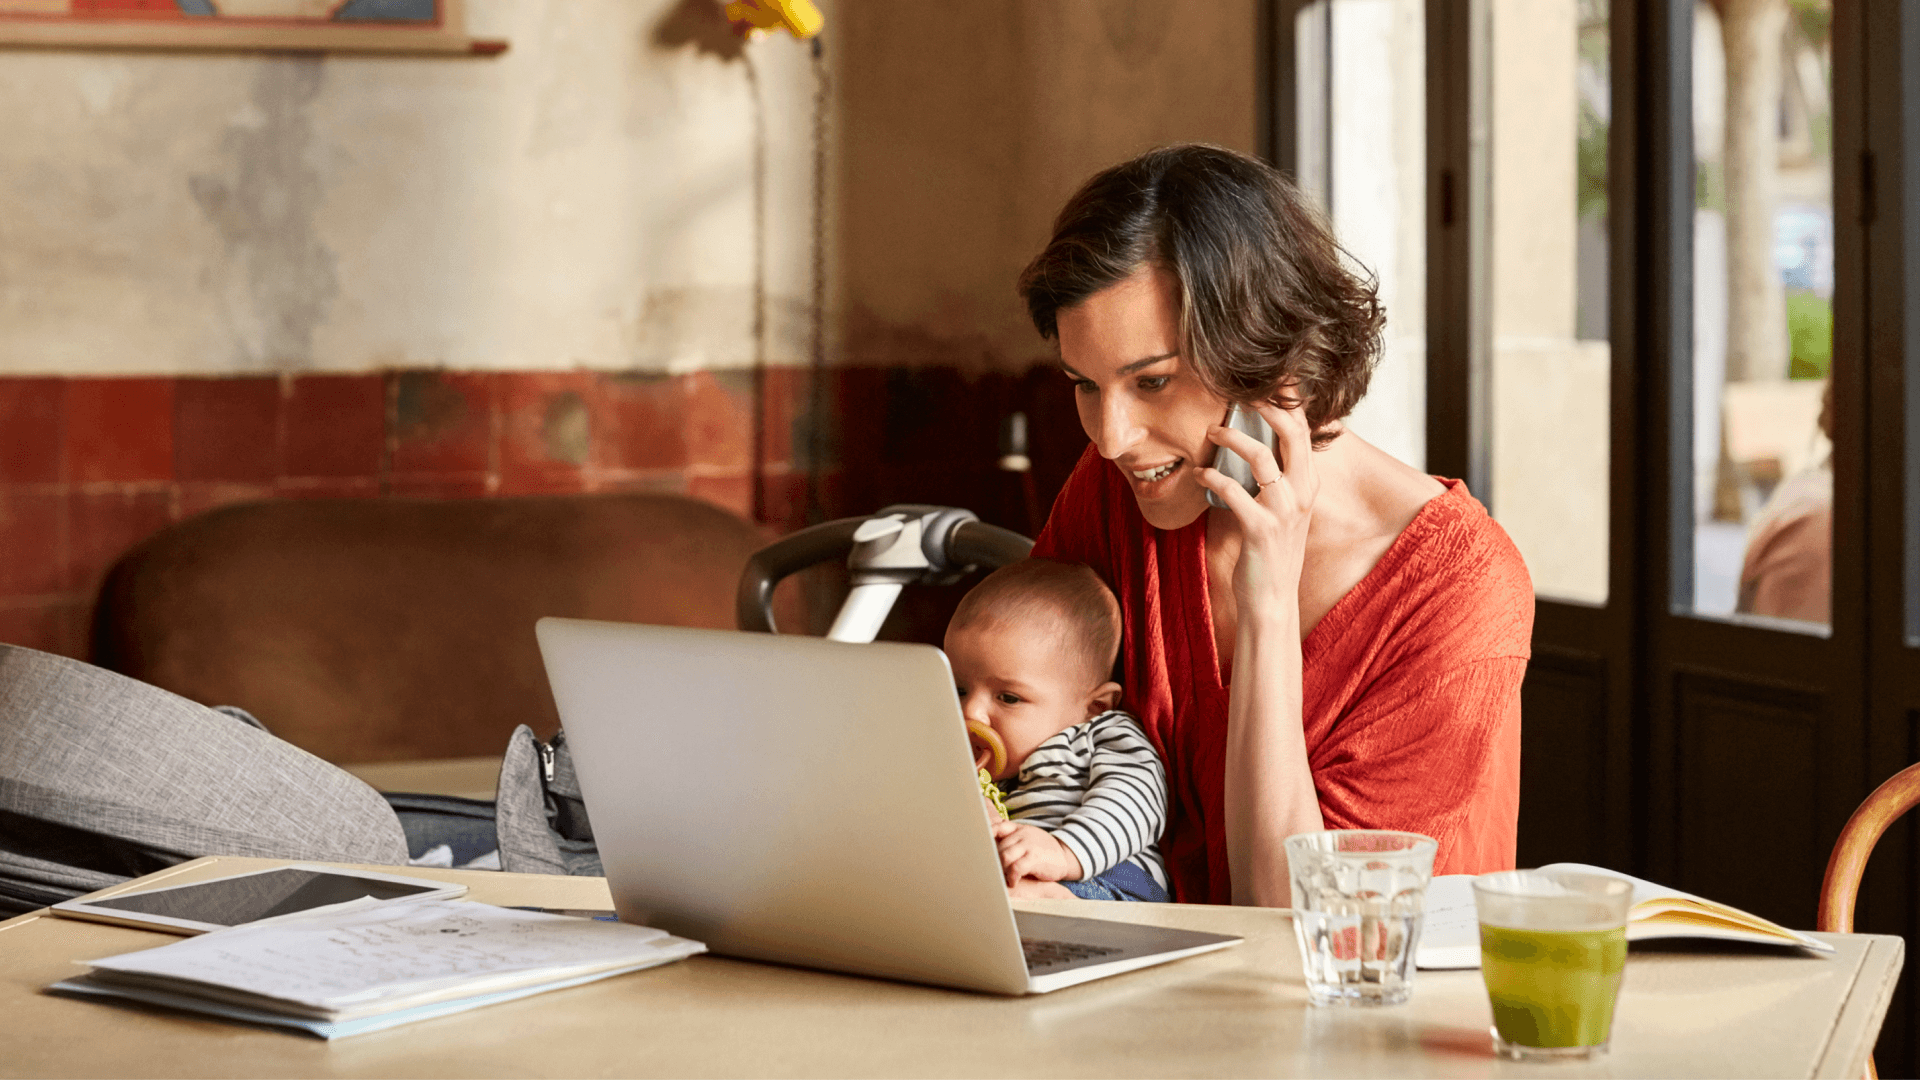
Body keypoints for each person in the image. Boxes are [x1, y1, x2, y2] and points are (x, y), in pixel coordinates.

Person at [1014, 143, 1533, 906]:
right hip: (1148, 999)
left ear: (1272, 361)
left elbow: (1297, 922)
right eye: (1086, 386)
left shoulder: (1458, 587)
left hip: (1370, 1012)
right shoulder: (1112, 492)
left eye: (1153, 381)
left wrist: (1266, 606)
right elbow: (1027, 762)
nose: (1111, 437)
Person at [944, 558, 1171, 902]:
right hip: (1013, 881)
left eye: (1008, 697)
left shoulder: (1099, 734)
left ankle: (1058, 904)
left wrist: (1064, 852)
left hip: (1110, 879)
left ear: (1093, 707)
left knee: (1013, 896)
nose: (971, 712)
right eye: (959, 689)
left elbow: (1137, 800)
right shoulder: (964, 761)